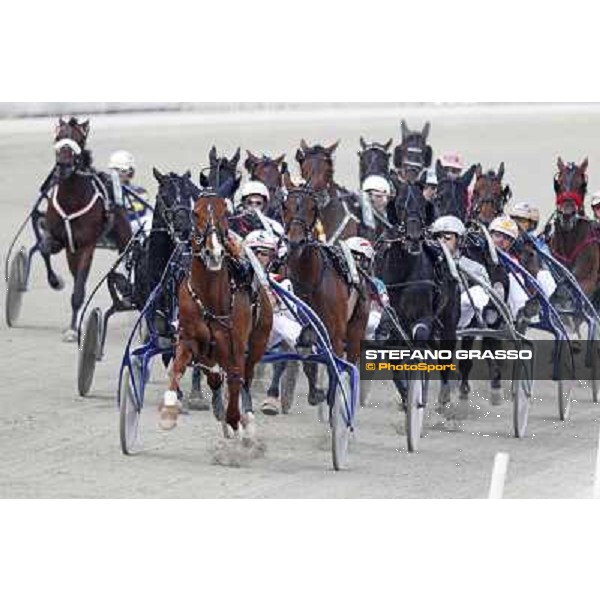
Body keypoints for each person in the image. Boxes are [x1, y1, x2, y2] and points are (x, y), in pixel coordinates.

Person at [245, 229, 302, 416]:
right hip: (241, 331)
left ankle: (305, 342)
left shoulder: (281, 282)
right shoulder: (235, 281)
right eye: (255, 252)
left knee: (281, 322)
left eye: (265, 253)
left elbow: (289, 314)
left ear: (272, 257)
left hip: (271, 332)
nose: (260, 258)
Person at [430, 216, 490, 329]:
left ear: (460, 240)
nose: (441, 241)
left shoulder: (474, 268)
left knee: (477, 292)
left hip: (460, 319)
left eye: (447, 237)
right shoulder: (428, 265)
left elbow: (486, 295)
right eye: (437, 237)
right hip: (431, 315)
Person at [107, 150, 151, 235]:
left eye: (122, 171)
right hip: (115, 227)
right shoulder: (106, 191)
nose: (116, 174)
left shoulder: (140, 191)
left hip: (132, 225)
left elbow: (140, 212)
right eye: (115, 170)